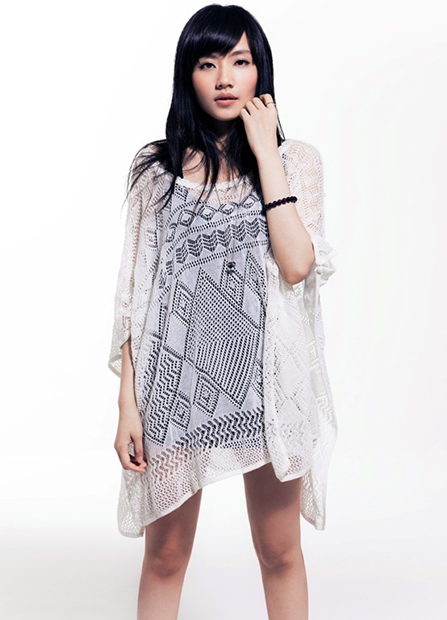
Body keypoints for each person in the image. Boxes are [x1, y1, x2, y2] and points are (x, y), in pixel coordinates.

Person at [108, 4, 338, 619]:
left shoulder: (298, 162)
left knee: (279, 552)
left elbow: (298, 264)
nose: (226, 78)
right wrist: (128, 404)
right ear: (188, 75)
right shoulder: (155, 172)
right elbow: (136, 296)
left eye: (240, 62)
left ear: (261, 70)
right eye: (208, 64)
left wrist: (266, 153)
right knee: (165, 556)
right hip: (175, 388)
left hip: (268, 389)